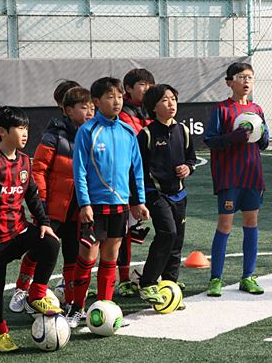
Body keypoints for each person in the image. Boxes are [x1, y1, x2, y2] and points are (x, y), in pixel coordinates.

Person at [0, 106, 62, 352]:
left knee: (50, 243)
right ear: (2, 131)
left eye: (26, 128)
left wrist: (43, 221)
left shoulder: (24, 160)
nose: (25, 133)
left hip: (20, 229)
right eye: (20, 128)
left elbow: (32, 194)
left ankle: (36, 295)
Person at [68, 77, 149, 328]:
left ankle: (105, 309)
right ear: (96, 101)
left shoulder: (127, 131)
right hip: (94, 206)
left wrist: (140, 202)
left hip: (120, 207)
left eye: (119, 97)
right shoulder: (88, 131)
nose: (116, 101)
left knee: (110, 258)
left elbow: (136, 170)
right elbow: (79, 171)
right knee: (87, 257)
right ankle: (76, 308)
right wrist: (85, 204)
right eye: (110, 97)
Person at [8, 88, 95, 314]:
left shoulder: (94, 136)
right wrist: (43, 204)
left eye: (92, 108)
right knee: (40, 250)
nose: (89, 112)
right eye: (83, 107)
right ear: (68, 110)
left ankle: (69, 298)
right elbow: (38, 171)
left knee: (72, 254)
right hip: (52, 209)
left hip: (79, 209)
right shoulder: (54, 135)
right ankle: (21, 289)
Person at [203, 62, 269, 297]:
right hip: (229, 177)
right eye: (241, 76)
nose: (246, 81)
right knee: (225, 225)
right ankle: (215, 279)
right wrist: (233, 137)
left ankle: (248, 276)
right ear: (229, 82)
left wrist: (262, 136)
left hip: (253, 176)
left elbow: (263, 143)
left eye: (250, 77)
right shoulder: (222, 110)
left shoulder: (257, 109)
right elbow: (210, 140)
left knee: (251, 224)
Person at [137, 84, 196, 306]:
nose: (171, 104)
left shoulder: (183, 130)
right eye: (165, 100)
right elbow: (138, 169)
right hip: (156, 194)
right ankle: (148, 282)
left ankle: (170, 284)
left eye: (173, 99)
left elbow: (191, 158)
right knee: (167, 233)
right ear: (153, 107)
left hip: (179, 194)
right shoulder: (147, 134)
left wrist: (188, 168)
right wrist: (139, 199)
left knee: (177, 239)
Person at [116, 68, 156, 297]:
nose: (147, 88)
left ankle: (157, 275)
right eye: (142, 84)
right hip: (129, 182)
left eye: (150, 84)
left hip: (153, 181)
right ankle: (123, 279)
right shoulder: (124, 114)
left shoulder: (153, 109)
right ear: (128, 89)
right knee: (122, 234)